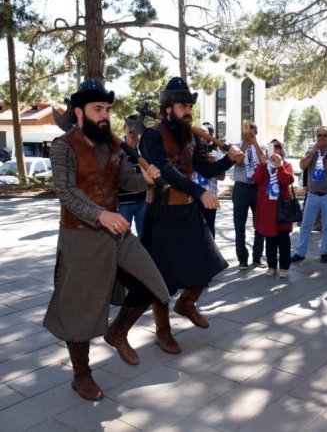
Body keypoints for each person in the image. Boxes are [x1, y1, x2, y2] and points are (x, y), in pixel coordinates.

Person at [44, 78, 170, 401]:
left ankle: (116, 332)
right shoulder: (64, 146)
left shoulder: (111, 144)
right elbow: (65, 192)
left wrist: (144, 180)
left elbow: (126, 179)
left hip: (117, 233)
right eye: (97, 109)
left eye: (107, 109)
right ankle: (81, 374)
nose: (104, 115)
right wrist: (100, 215)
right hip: (80, 237)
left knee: (155, 285)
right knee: (79, 310)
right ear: (79, 111)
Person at [140, 76, 240, 353]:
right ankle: (162, 331)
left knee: (209, 264)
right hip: (161, 212)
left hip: (188, 211)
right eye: (183, 105)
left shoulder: (191, 137)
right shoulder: (152, 135)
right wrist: (200, 192)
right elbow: (165, 171)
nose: (188, 110)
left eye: (190, 106)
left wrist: (228, 159)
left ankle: (186, 303)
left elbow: (204, 170)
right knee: (161, 277)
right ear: (168, 108)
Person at [291, 126, 327, 264]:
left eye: (324, 135)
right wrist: (312, 152)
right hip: (313, 195)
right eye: (319, 135)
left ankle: (324, 252)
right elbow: (302, 166)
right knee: (306, 225)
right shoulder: (312, 152)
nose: (321, 138)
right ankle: (300, 253)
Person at [252, 140, 294, 278]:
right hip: (267, 209)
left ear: (282, 150)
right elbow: (256, 179)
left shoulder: (286, 165)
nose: (275, 149)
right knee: (270, 239)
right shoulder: (263, 165)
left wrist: (279, 166)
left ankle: (284, 267)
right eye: (272, 147)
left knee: (283, 239)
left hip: (282, 208)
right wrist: (262, 165)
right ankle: (271, 265)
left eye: (278, 147)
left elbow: (286, 181)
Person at [232, 121, 266, 269]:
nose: (249, 133)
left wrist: (255, 143)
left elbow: (264, 161)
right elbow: (238, 162)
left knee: (259, 224)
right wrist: (245, 143)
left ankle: (257, 257)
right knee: (239, 225)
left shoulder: (262, 147)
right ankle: (242, 259)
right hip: (241, 188)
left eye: (252, 131)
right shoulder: (236, 147)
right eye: (247, 131)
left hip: (256, 188)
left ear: (256, 133)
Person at [192, 122, 224, 236]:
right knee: (192, 231)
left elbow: (222, 177)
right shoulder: (188, 152)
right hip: (193, 198)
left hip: (210, 199)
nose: (201, 137)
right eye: (198, 134)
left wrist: (215, 164)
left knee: (209, 231)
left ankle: (209, 253)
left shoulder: (216, 153)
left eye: (204, 134)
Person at [117, 116, 147, 237]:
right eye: (130, 128)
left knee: (145, 236)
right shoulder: (116, 150)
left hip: (142, 201)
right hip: (123, 203)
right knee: (122, 238)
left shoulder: (144, 150)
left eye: (136, 129)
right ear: (124, 128)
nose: (133, 132)